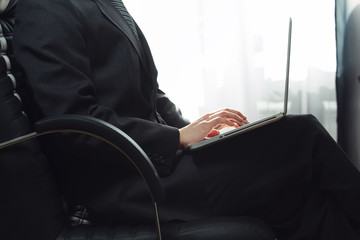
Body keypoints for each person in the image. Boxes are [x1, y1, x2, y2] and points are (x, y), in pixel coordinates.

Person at [13, 0, 360, 239]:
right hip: (130, 182)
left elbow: (152, 95)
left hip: (161, 165)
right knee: (300, 135)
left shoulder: (104, 3)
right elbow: (73, 122)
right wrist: (178, 138)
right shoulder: (45, 6)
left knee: (299, 202)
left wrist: (198, 132)